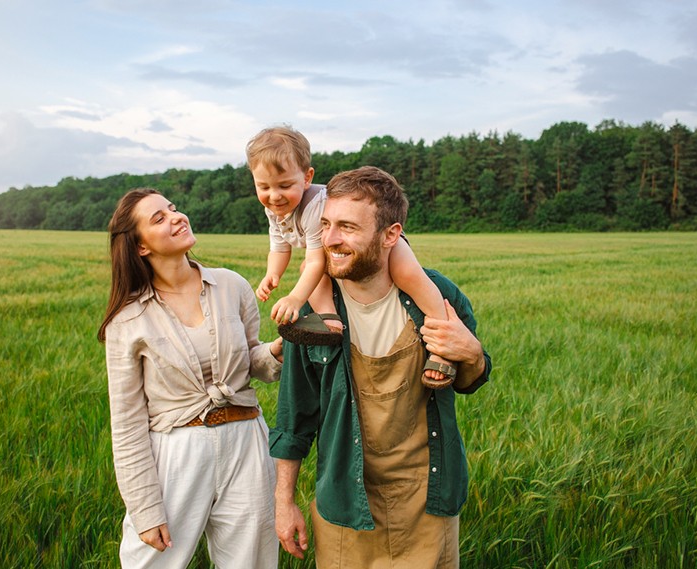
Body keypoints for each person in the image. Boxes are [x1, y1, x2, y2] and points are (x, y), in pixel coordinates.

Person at [268, 167, 492, 568]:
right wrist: (284, 503)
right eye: (325, 225)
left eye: (348, 227)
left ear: (391, 235)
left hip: (428, 499)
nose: (330, 240)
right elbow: (294, 415)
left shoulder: (437, 296)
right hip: (344, 504)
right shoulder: (311, 316)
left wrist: (471, 354)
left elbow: (470, 379)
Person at [97, 188, 283, 569]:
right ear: (141, 247)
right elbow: (128, 422)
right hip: (176, 454)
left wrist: (280, 349)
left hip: (247, 441)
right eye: (159, 219)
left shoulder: (231, 285)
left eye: (174, 208)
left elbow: (251, 361)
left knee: (253, 563)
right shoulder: (127, 321)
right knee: (150, 563)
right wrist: (145, 507)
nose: (177, 217)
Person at [246, 125, 457, 387]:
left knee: (410, 277)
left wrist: (294, 298)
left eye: (284, 185)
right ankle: (330, 320)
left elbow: (315, 260)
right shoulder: (274, 208)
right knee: (308, 272)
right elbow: (279, 246)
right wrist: (272, 273)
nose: (274, 196)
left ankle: (443, 344)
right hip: (333, 249)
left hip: (382, 242)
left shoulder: (312, 208)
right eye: (263, 187)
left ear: (307, 178)